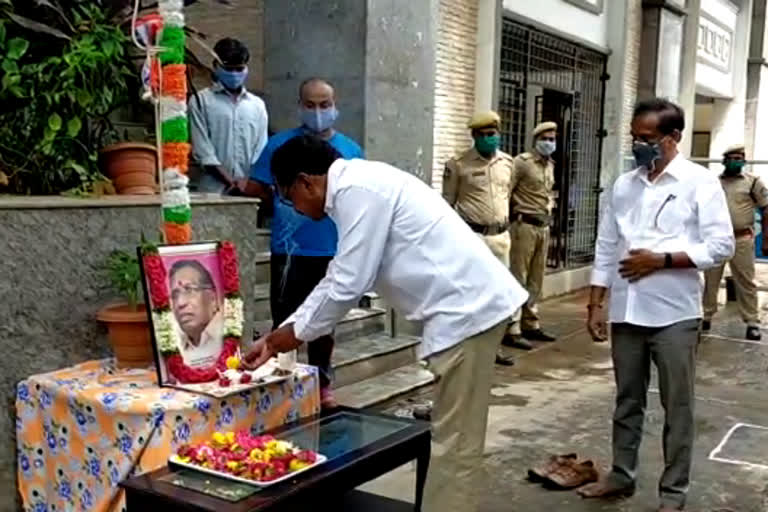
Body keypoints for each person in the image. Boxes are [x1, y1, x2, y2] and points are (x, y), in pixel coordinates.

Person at [244, 135, 527, 512]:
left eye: (286, 196)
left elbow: (349, 281)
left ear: (305, 182)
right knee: (452, 439)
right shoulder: (357, 187)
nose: (291, 207)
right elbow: (338, 277)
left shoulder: (358, 190)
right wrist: (284, 333)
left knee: (455, 446)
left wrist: (286, 338)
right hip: (461, 314)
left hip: (467, 313)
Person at [581, 98, 734, 512]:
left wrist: (662, 260)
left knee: (677, 405)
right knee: (627, 400)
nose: (637, 145)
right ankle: (621, 475)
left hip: (674, 314)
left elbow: (721, 246)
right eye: (634, 137)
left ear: (673, 138)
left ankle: (673, 494)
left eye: (646, 138)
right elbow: (607, 243)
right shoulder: (624, 184)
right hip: (627, 311)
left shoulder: (699, 183)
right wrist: (596, 300)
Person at [243, 78, 363, 409]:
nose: (318, 112)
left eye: (325, 104)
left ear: (336, 105)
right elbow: (256, 189)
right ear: (300, 106)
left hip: (329, 248)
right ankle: (284, 386)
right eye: (310, 104)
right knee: (286, 318)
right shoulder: (279, 147)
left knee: (323, 324)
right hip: (291, 249)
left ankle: (321, 385)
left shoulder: (352, 152)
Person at [442, 110, 527, 364]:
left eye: (492, 134)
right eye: (482, 135)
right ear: (474, 136)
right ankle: (472, 346)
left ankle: (495, 344)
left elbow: (506, 196)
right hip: (474, 238)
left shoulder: (507, 163)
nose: (488, 138)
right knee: (473, 294)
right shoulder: (458, 164)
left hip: (501, 237)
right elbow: (448, 203)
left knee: (499, 294)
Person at [702, 144, 768, 341]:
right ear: (724, 161)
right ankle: (706, 316)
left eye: (739, 158)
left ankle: (752, 322)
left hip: (742, 238)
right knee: (710, 280)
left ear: (744, 161)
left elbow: (766, 209)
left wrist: (766, 238)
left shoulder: (753, 182)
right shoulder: (712, 182)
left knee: (746, 281)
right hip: (715, 238)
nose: (735, 161)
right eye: (732, 158)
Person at [189, 38, 268, 194]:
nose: (234, 74)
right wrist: (231, 182)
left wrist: (247, 182)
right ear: (215, 66)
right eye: (228, 69)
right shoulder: (200, 101)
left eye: (239, 69)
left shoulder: (257, 105)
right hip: (212, 190)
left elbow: (261, 148)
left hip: (249, 189)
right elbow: (202, 149)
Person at [508, 122, 559, 344]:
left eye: (553, 139)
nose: (549, 143)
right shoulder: (521, 163)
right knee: (518, 276)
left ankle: (531, 323)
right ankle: (512, 327)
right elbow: (506, 191)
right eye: (546, 138)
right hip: (524, 226)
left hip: (543, 227)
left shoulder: (550, 166)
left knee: (536, 278)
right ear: (536, 140)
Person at [169, 260, 223, 368]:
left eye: (189, 290)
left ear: (212, 299)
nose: (180, 303)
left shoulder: (227, 332)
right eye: (175, 295)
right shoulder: (175, 345)